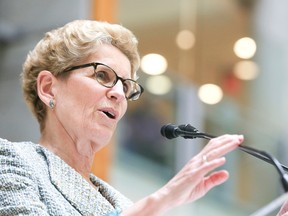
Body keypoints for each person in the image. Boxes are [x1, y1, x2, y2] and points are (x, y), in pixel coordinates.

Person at [0, 19, 244, 216]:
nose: (118, 93)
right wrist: (162, 199)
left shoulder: (124, 204)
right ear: (48, 88)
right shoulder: (11, 162)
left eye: (126, 87)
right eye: (102, 76)